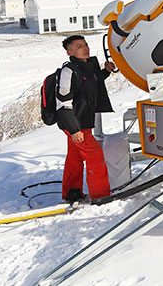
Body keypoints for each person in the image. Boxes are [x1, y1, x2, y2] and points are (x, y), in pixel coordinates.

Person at [56, 34, 116, 202]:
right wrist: (74, 130)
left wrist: (106, 71)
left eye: (85, 44)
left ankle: (72, 193)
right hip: (75, 124)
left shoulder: (87, 66)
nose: (85, 48)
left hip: (82, 124)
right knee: (95, 157)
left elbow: (92, 82)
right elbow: (63, 103)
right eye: (79, 47)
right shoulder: (68, 71)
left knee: (75, 159)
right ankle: (101, 196)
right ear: (70, 53)